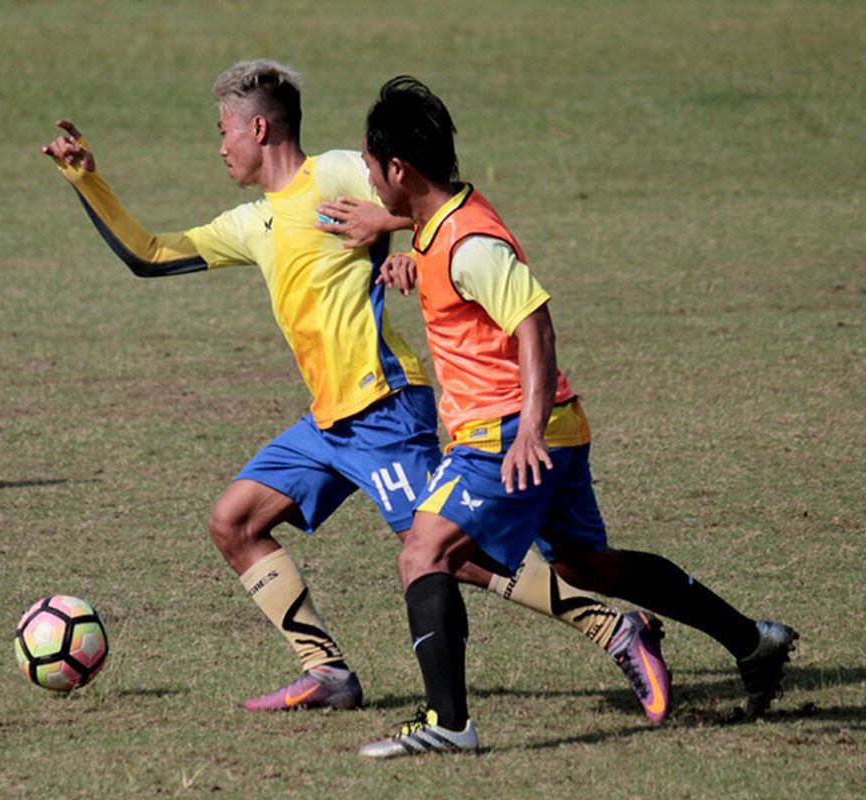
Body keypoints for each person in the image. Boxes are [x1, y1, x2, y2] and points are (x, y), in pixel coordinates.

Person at [41, 59, 671, 720]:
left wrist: (389, 228)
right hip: (328, 425)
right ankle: (327, 672)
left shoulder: (339, 172)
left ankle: (614, 630)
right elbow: (150, 253)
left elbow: (429, 199)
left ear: (259, 128)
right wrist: (87, 179)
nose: (219, 144)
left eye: (224, 129)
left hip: (387, 407)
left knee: (446, 556)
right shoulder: (250, 224)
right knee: (234, 522)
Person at [353, 75, 798, 758]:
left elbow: (534, 324)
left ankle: (448, 724)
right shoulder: (443, 225)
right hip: (551, 426)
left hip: (510, 432)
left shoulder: (471, 245)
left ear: (398, 169)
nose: (365, 176)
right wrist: (409, 254)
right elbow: (435, 242)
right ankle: (753, 642)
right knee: (590, 567)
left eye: (369, 164)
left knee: (424, 554)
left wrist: (526, 428)